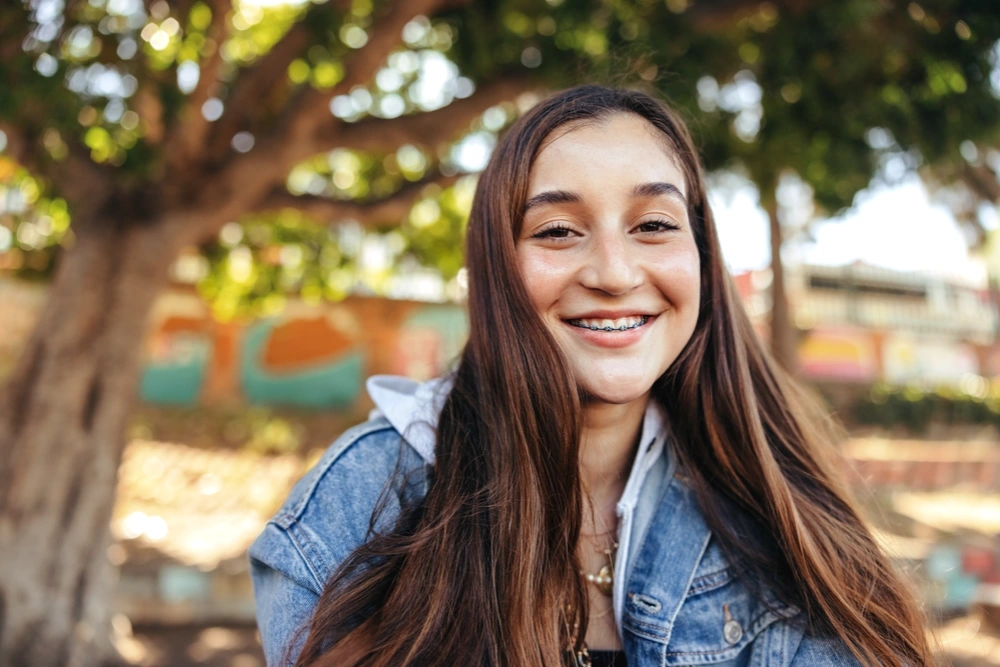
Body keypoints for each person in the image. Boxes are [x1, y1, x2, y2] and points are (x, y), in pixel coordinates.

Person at [248, 85, 932, 667]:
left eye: (654, 224)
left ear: (701, 255)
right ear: (495, 268)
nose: (612, 272)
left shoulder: (773, 507)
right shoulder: (359, 501)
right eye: (557, 231)